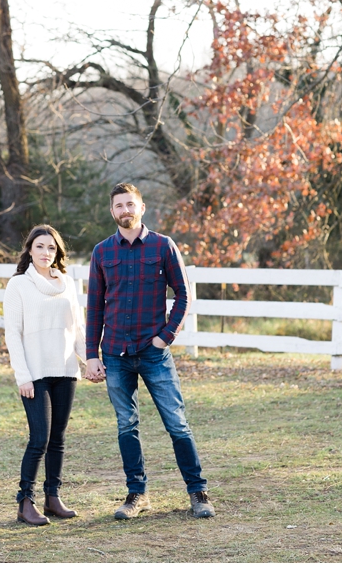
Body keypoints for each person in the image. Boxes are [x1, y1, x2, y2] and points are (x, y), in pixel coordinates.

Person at [84, 183, 216, 519]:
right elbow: (95, 307)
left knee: (177, 424)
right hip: (114, 353)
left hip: (154, 352)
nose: (125, 210)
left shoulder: (162, 247)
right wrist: (92, 354)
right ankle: (136, 495)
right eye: (118, 206)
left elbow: (183, 295)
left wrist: (165, 337)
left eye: (130, 204)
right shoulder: (102, 252)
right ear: (112, 211)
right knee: (126, 426)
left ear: (142, 208)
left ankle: (198, 492)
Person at [3, 225, 87, 526]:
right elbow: (13, 334)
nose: (46, 253)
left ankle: (53, 498)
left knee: (58, 438)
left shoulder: (67, 282)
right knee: (39, 437)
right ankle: (25, 502)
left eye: (51, 248)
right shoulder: (18, 285)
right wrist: (22, 376)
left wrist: (89, 359)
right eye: (40, 247)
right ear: (29, 250)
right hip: (35, 373)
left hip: (65, 370)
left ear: (58, 252)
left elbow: (77, 328)